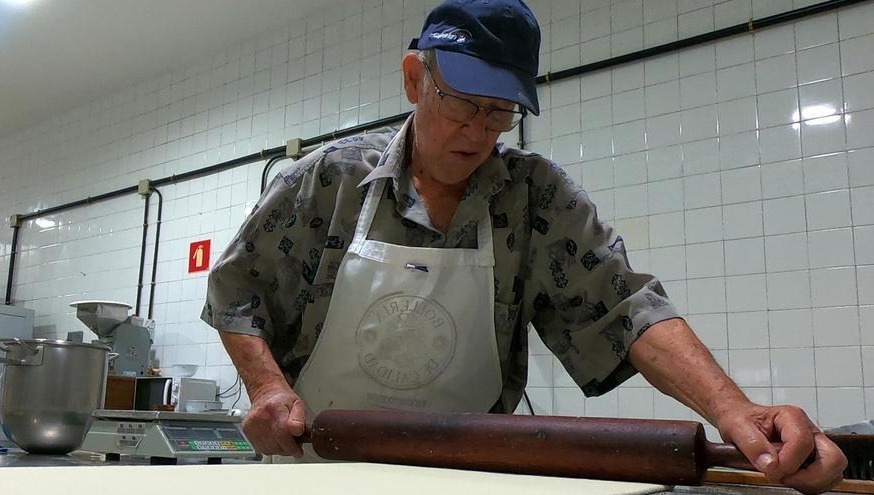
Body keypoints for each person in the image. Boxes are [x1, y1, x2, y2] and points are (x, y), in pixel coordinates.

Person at [202, 0, 847, 492]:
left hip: (468, 478)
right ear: (413, 79)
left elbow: (625, 310)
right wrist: (266, 388)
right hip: (314, 468)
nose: (477, 131)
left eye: (498, 112)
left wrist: (738, 411)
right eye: (460, 103)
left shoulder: (534, 197)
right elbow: (236, 289)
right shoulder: (330, 180)